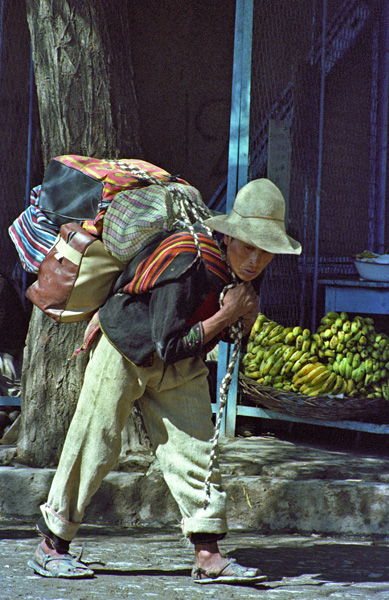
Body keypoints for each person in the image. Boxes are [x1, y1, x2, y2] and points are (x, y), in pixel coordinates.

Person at [27, 178, 301, 585]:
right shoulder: (188, 264)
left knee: (194, 447)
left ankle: (208, 556)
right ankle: (51, 547)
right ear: (227, 237)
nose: (255, 259)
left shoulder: (245, 271)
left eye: (266, 252)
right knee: (93, 441)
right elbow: (170, 342)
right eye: (248, 246)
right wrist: (227, 317)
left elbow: (209, 333)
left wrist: (242, 318)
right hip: (127, 348)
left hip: (179, 357)